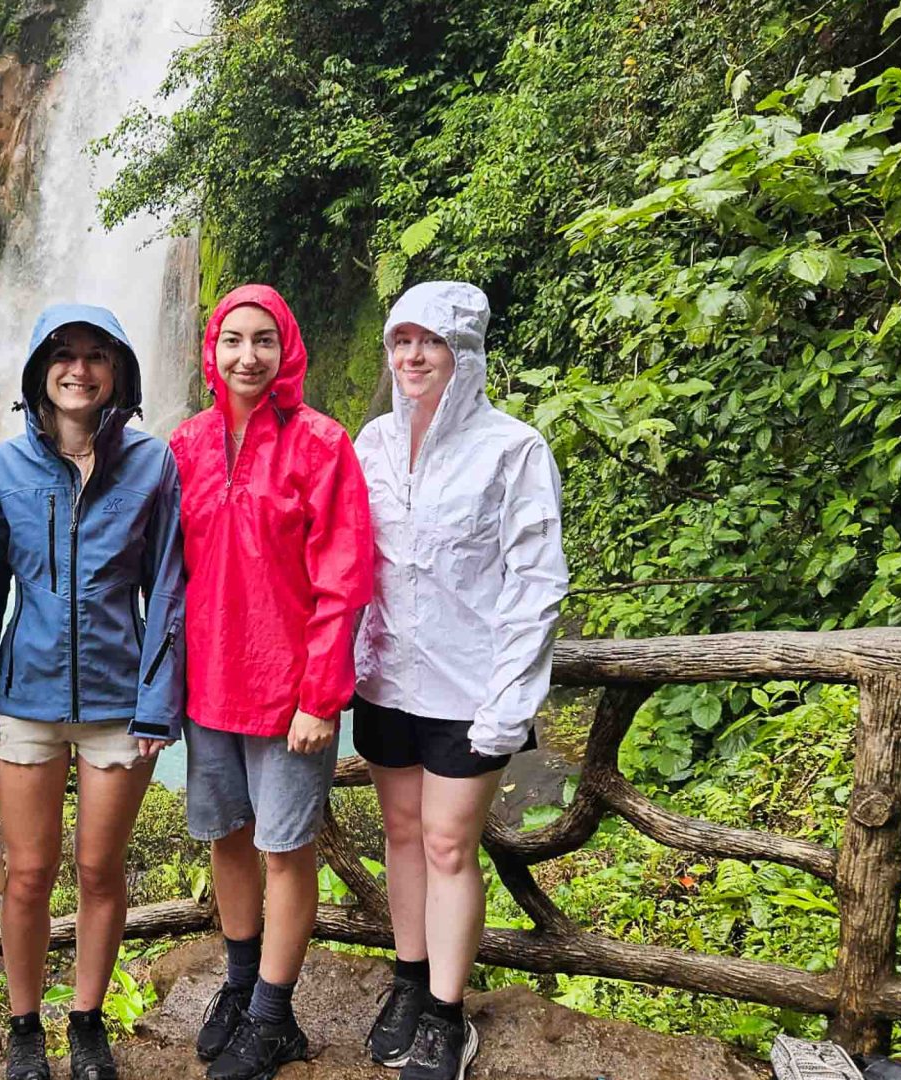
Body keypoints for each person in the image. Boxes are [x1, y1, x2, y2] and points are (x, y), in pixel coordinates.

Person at [351, 281, 568, 1080]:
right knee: (403, 837)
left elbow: (536, 580)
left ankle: (449, 1011)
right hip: (384, 679)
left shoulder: (512, 449)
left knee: (448, 844)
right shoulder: (371, 442)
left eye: (430, 341)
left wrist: (511, 700)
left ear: (465, 353)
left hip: (471, 687)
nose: (412, 355)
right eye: (401, 340)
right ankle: (410, 980)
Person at [0, 304, 186, 1080]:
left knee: (100, 868)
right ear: (38, 371)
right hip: (25, 700)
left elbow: (167, 588)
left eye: (98, 355)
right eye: (65, 354)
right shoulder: (3, 468)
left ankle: (86, 1021)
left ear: (119, 371)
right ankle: (26, 1027)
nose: (80, 369)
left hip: (120, 700)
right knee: (28, 873)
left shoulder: (153, 465)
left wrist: (159, 701)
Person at [169, 284, 374, 1080]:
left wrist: (322, 697)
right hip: (207, 687)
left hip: (292, 695)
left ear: (287, 349)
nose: (247, 356)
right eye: (232, 340)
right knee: (227, 836)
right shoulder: (184, 445)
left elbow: (346, 577)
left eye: (264, 340)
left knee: (285, 848)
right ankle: (242, 983)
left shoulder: (322, 444)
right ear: (210, 353)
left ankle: (275, 1014)